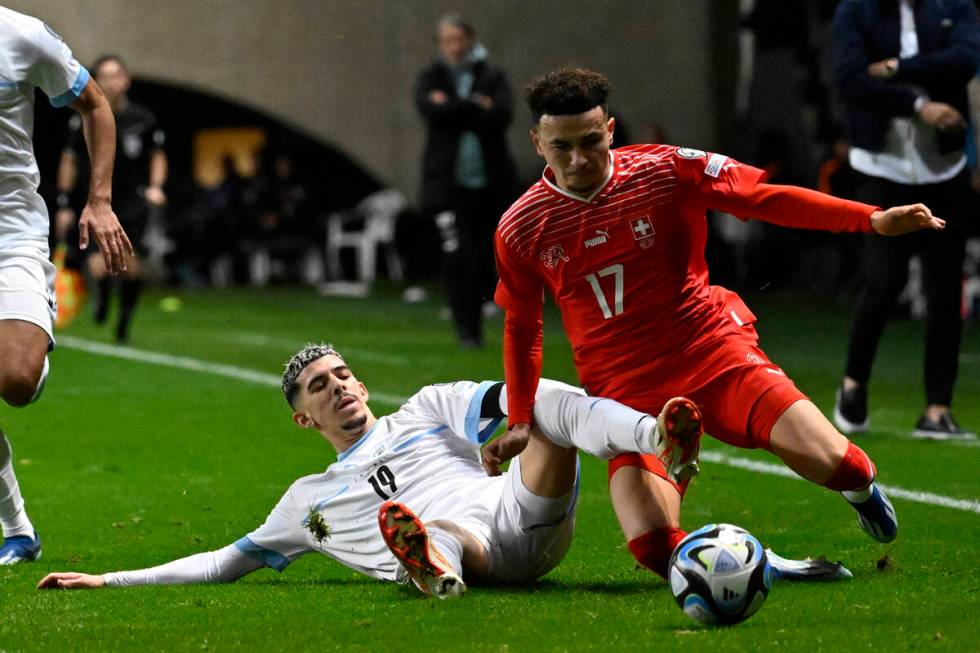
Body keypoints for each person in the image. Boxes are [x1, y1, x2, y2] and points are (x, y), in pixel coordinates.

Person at [488, 68, 944, 580]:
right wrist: (521, 419)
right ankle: (766, 567)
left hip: (713, 352)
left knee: (843, 465)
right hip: (626, 395)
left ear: (610, 130)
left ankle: (861, 491)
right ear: (537, 142)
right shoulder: (521, 226)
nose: (578, 159)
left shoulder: (666, 170)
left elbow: (762, 199)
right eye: (561, 146)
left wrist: (870, 219)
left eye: (591, 141)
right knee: (654, 547)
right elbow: (522, 326)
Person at [37, 345, 846, 595]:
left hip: (525, 515)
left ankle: (654, 430)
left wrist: (512, 433)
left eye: (345, 375)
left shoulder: (425, 408)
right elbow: (223, 563)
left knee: (553, 408)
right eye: (322, 388)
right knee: (445, 529)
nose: (343, 388)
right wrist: (108, 580)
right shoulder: (304, 503)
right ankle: (433, 563)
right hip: (476, 547)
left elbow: (515, 405)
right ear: (302, 418)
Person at [0, 8, 132, 565]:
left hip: (11, 237)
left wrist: (98, 201)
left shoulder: (20, 35)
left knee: (15, 381)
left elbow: (95, 104)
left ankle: (35, 332)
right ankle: (18, 530)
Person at [831, 0, 979, 439]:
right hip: (882, 164)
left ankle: (938, 407)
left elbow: (967, 58)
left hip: (943, 165)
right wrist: (917, 103)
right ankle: (854, 382)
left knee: (943, 282)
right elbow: (851, 78)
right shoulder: (856, 10)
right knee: (885, 278)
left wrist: (895, 67)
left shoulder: (954, 6)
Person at [415, 14, 519, 348]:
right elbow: (431, 112)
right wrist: (473, 106)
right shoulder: (431, 76)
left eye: (458, 39)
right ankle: (466, 329)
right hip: (449, 189)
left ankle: (500, 319)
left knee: (491, 256)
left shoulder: (491, 74)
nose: (453, 46)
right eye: (447, 40)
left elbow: (502, 114)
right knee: (457, 256)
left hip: (489, 186)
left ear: (469, 39)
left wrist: (455, 109)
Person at [57, 53, 166, 343]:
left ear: (126, 80)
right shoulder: (84, 118)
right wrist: (65, 203)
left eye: (116, 75)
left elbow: (157, 156)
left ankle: (124, 323)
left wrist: (156, 186)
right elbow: (69, 161)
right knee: (98, 265)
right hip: (93, 201)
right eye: (104, 76)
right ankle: (102, 298)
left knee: (131, 269)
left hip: (132, 202)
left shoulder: (143, 119)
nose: (112, 82)